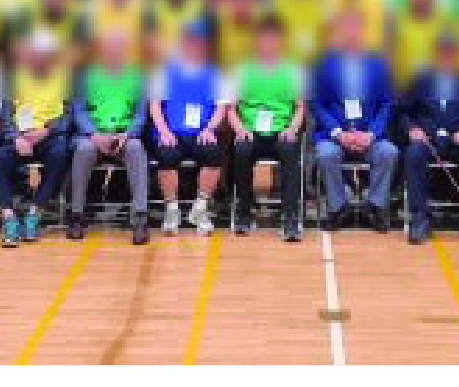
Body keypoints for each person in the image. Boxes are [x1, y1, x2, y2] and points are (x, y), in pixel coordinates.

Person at [398, 34, 459, 244]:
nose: (446, 59)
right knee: (413, 153)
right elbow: (403, 113)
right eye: (442, 54)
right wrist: (412, 129)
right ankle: (419, 218)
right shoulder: (419, 79)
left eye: (451, 54)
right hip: (427, 139)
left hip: (457, 139)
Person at [310, 12, 399, 231]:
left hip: (368, 135)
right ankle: (339, 209)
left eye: (355, 29)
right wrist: (339, 133)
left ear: (363, 32)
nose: (351, 34)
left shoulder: (378, 63)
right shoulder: (324, 64)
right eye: (347, 29)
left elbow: (386, 104)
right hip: (335, 136)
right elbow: (318, 105)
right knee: (325, 154)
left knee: (389, 152)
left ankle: (374, 208)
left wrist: (371, 134)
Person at [0, 29, 76, 247]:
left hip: (49, 136)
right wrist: (16, 137)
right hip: (20, 139)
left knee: (60, 154)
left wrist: (46, 131)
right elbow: (5, 116)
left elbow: (68, 116)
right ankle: (9, 219)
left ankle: (35, 213)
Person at [68, 28, 152, 242]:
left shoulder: (137, 76)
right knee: (83, 150)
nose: (113, 51)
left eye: (118, 47)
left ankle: (140, 218)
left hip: (124, 136)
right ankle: (77, 215)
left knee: (136, 149)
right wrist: (93, 134)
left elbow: (141, 113)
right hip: (93, 136)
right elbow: (78, 110)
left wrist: (128, 133)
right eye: (109, 48)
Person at [227, 16, 306, 241]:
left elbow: (300, 108)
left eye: (273, 40)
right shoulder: (241, 69)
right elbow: (231, 109)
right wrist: (239, 129)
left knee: (290, 150)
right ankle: (244, 213)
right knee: (241, 150)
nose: (268, 44)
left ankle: (290, 219)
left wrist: (292, 129)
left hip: (280, 131)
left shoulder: (293, 70)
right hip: (251, 132)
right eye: (264, 39)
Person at [148, 21, 229, 236]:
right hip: (172, 132)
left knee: (214, 154)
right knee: (166, 155)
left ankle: (200, 209)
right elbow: (154, 106)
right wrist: (164, 131)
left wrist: (209, 129)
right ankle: (172, 210)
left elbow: (221, 108)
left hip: (201, 132)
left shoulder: (217, 72)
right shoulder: (164, 69)